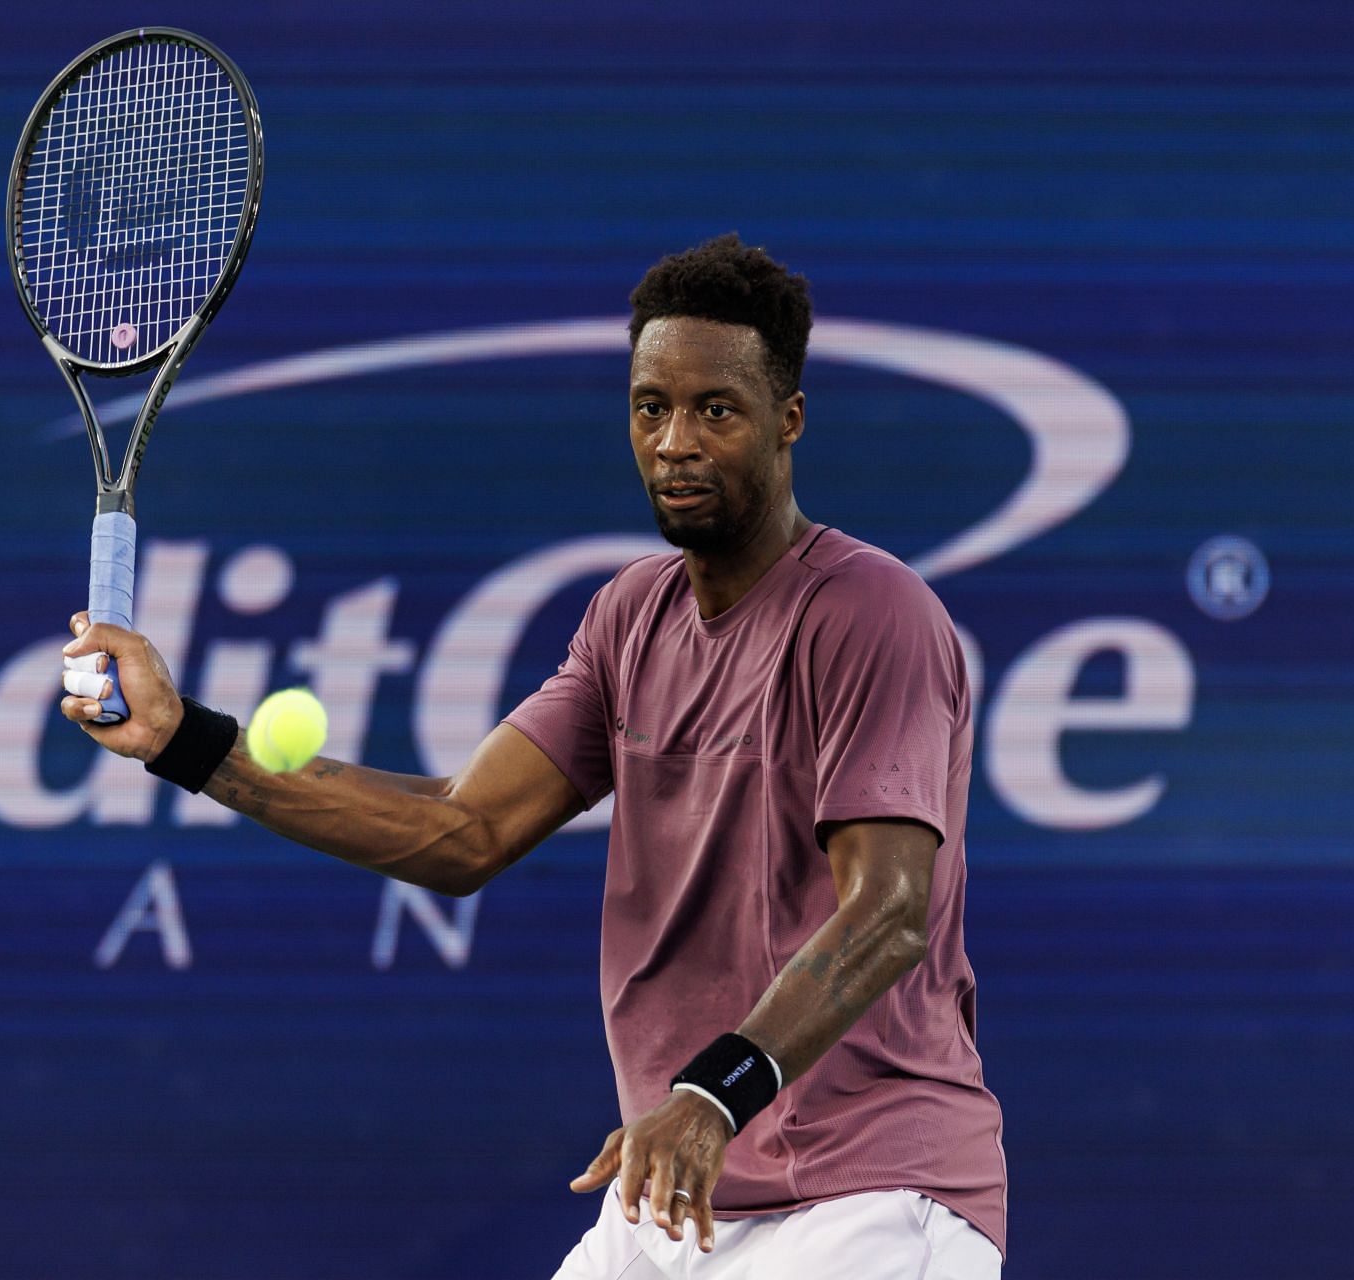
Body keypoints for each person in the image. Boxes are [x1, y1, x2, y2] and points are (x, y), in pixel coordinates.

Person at [59, 234, 1007, 1279]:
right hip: (679, 1192)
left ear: (788, 421)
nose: (676, 441)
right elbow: (462, 829)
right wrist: (185, 739)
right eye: (651, 407)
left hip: (867, 1197)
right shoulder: (628, 619)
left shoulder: (871, 613)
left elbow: (888, 911)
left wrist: (709, 1090)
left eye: (716, 410)